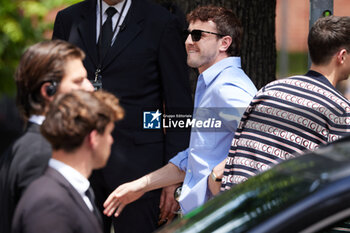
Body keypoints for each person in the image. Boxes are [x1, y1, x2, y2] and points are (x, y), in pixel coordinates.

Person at [103, 5, 257, 217]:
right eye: (187, 34)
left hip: (223, 214)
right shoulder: (212, 84)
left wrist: (217, 176)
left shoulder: (227, 87)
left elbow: (265, 139)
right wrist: (139, 186)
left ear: (224, 42)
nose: (188, 42)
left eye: (197, 35)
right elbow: (194, 159)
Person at [52, 0, 193, 232]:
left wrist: (174, 177)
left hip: (141, 171)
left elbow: (179, 106)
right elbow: (56, 94)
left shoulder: (161, 22)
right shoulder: (68, 19)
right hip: (79, 163)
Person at [210, 15, 350, 193]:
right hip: (286, 214)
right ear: (342, 56)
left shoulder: (268, 91)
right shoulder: (339, 109)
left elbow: (236, 160)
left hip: (241, 208)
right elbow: (338, 182)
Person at [0, 40, 94, 233]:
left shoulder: (33, 144)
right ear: (48, 91)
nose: (90, 88)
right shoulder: (41, 152)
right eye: (78, 81)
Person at [12, 90, 124, 233]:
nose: (111, 140)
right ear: (93, 138)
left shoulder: (77, 189)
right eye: (108, 133)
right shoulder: (49, 204)